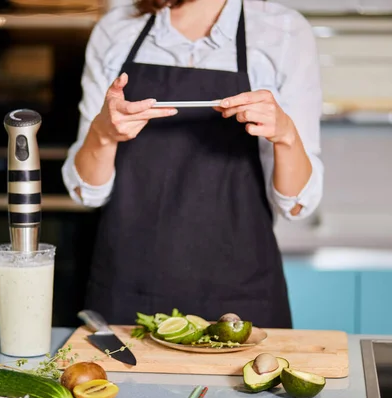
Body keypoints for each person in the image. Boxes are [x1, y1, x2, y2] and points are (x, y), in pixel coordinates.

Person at [61, 0, 324, 328]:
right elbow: (87, 193)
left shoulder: (283, 32)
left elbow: (297, 204)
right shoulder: (117, 29)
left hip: (241, 298)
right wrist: (102, 134)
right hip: (127, 293)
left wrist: (286, 135)